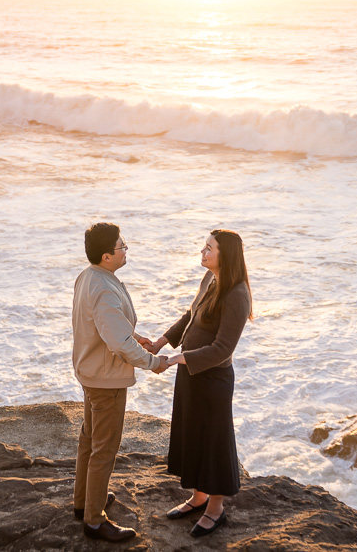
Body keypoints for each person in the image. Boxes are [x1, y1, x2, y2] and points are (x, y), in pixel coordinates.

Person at [144, 229, 253, 538]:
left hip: (213, 380)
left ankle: (215, 510)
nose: (202, 252)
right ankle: (198, 496)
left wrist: (178, 359)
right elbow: (190, 316)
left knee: (214, 442)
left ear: (225, 255)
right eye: (204, 246)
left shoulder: (237, 294)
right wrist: (161, 342)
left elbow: (223, 349)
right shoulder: (210, 280)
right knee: (192, 434)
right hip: (192, 375)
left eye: (209, 248)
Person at [72, 222, 170, 543]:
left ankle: (83, 501)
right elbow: (118, 344)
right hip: (105, 380)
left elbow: (109, 328)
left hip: (90, 371)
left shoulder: (89, 276)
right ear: (106, 256)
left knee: (89, 439)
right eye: (121, 245)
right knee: (104, 449)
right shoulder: (103, 288)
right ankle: (94, 520)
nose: (126, 249)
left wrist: (135, 336)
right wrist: (154, 363)